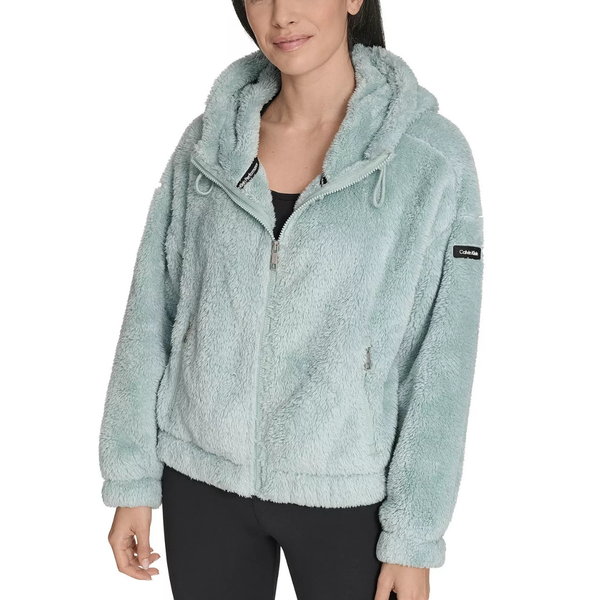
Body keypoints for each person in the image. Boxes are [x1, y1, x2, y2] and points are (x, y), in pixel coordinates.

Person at [98, 1, 485, 598]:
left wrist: (414, 536)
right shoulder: (210, 143)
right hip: (200, 477)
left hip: (348, 492)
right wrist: (131, 479)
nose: (281, 14)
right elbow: (152, 308)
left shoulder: (428, 158)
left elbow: (443, 360)